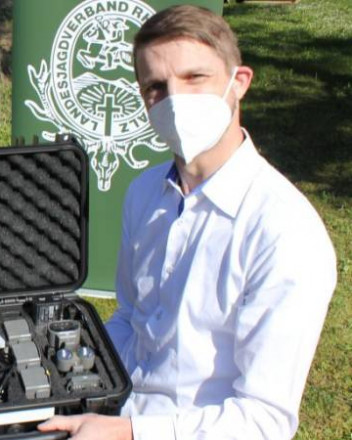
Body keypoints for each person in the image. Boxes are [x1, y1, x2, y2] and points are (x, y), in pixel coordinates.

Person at [38, 5, 336, 440]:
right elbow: (131, 316)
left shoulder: (284, 232)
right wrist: (62, 374)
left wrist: (131, 432)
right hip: (114, 414)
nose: (175, 100)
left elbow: (264, 421)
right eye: (156, 87)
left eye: (195, 78)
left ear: (239, 83)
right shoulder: (144, 193)